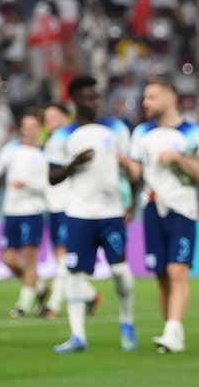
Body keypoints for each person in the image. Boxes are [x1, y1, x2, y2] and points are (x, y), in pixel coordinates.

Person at [45, 75, 136, 354]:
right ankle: (78, 336)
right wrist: (74, 163)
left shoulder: (116, 129)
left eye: (96, 97)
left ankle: (127, 322)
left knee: (120, 272)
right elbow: (52, 176)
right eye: (87, 97)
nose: (94, 102)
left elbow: (132, 169)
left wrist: (132, 204)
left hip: (111, 213)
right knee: (74, 274)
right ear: (73, 100)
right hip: (79, 213)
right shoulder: (63, 135)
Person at [121, 80, 199, 353]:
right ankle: (171, 332)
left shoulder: (192, 133)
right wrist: (123, 164)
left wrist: (178, 159)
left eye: (152, 97)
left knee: (178, 270)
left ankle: (173, 330)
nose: (145, 103)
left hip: (181, 207)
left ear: (170, 98)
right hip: (151, 208)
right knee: (161, 273)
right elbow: (137, 175)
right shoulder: (141, 133)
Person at [0, 111, 49, 318]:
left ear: (40, 129)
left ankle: (23, 305)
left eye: (32, 127)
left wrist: (28, 185)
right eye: (25, 126)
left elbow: (50, 186)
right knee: (9, 259)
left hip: (33, 211)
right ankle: (39, 287)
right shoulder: (11, 150)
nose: (28, 130)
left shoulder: (45, 154)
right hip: (11, 211)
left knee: (30, 260)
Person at [41, 103, 73, 319]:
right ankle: (89, 296)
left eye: (53, 116)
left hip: (67, 205)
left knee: (63, 256)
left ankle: (53, 304)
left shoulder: (68, 138)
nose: (49, 120)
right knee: (60, 257)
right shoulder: (52, 140)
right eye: (47, 117)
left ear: (65, 117)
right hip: (53, 206)